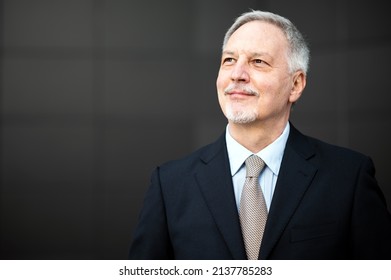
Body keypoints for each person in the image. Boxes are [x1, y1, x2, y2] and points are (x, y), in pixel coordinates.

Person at [128, 10, 391, 260]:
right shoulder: (170, 184)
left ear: (296, 84)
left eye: (258, 62)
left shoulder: (348, 177)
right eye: (229, 60)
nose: (237, 74)